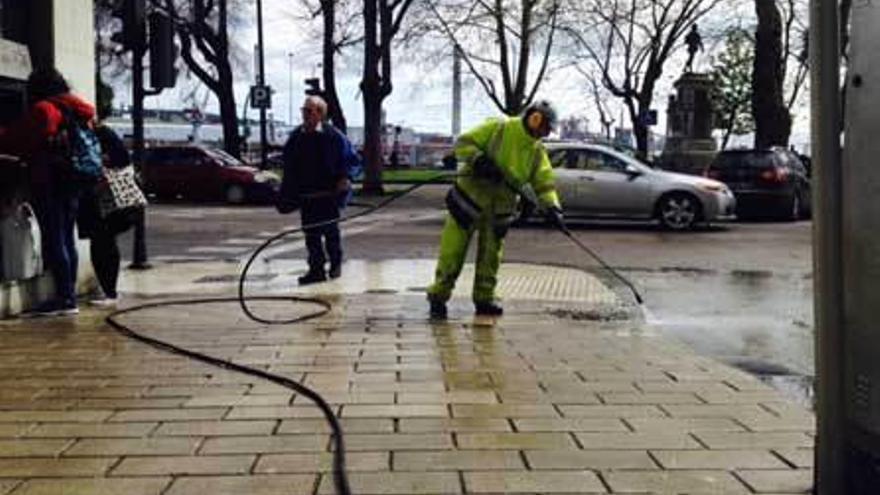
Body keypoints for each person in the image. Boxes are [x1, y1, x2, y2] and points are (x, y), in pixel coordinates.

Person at [426, 100, 564, 319]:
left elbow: (544, 182)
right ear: (534, 118)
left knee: (491, 257)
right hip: (469, 201)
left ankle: (484, 298)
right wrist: (480, 161)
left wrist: (552, 207)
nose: (545, 134)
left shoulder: (537, 151)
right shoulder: (499, 128)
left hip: (500, 208)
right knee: (452, 253)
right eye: (545, 128)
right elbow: (464, 143)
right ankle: (438, 296)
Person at [0, 68, 96, 317]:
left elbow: (17, 138)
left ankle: (65, 298)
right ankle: (69, 294)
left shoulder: (45, 109)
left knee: (55, 237)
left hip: (49, 180)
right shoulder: (76, 107)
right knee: (66, 236)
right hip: (73, 179)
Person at [277, 95, 361, 285]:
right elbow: (289, 165)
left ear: (320, 114)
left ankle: (335, 264)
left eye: (309, 111)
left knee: (331, 232)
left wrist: (346, 178)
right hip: (307, 196)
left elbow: (352, 161)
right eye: (303, 111)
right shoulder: (296, 137)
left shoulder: (334, 137)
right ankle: (316, 270)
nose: (305, 115)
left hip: (329, 195)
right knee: (311, 236)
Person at [76, 108, 143, 307]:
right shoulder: (100, 134)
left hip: (106, 200)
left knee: (102, 243)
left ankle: (109, 292)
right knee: (102, 242)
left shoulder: (100, 135)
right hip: (101, 200)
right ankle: (108, 290)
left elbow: (121, 161)